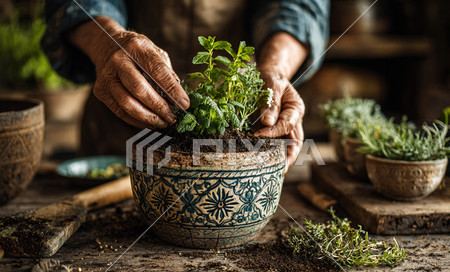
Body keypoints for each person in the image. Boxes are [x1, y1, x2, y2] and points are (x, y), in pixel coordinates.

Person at [42, 0, 329, 169]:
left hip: (241, 134)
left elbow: (299, 7)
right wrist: (107, 41)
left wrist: (275, 68)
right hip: (120, 128)